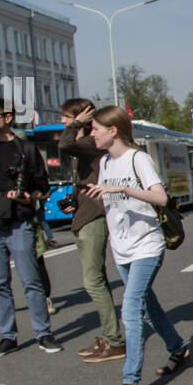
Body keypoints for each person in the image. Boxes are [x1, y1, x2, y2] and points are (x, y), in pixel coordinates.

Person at [84, 107, 188, 385]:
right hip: (122, 248)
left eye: (96, 129)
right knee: (148, 305)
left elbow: (160, 197)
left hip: (147, 244)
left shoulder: (136, 158)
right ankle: (178, 348)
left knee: (130, 307)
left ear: (113, 130)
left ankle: (130, 381)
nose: (92, 134)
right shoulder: (105, 162)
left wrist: (122, 188)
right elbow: (110, 201)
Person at [0, 99, 62, 355]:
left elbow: (43, 186)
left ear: (8, 117)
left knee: (31, 281)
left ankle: (44, 333)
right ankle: (7, 335)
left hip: (20, 221)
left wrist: (28, 196)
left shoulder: (26, 148)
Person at [58, 97, 126, 361]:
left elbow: (64, 144)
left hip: (93, 217)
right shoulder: (86, 145)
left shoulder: (88, 143)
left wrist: (77, 124)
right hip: (84, 214)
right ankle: (109, 336)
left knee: (93, 281)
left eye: (66, 117)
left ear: (84, 118)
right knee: (95, 279)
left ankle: (114, 340)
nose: (63, 122)